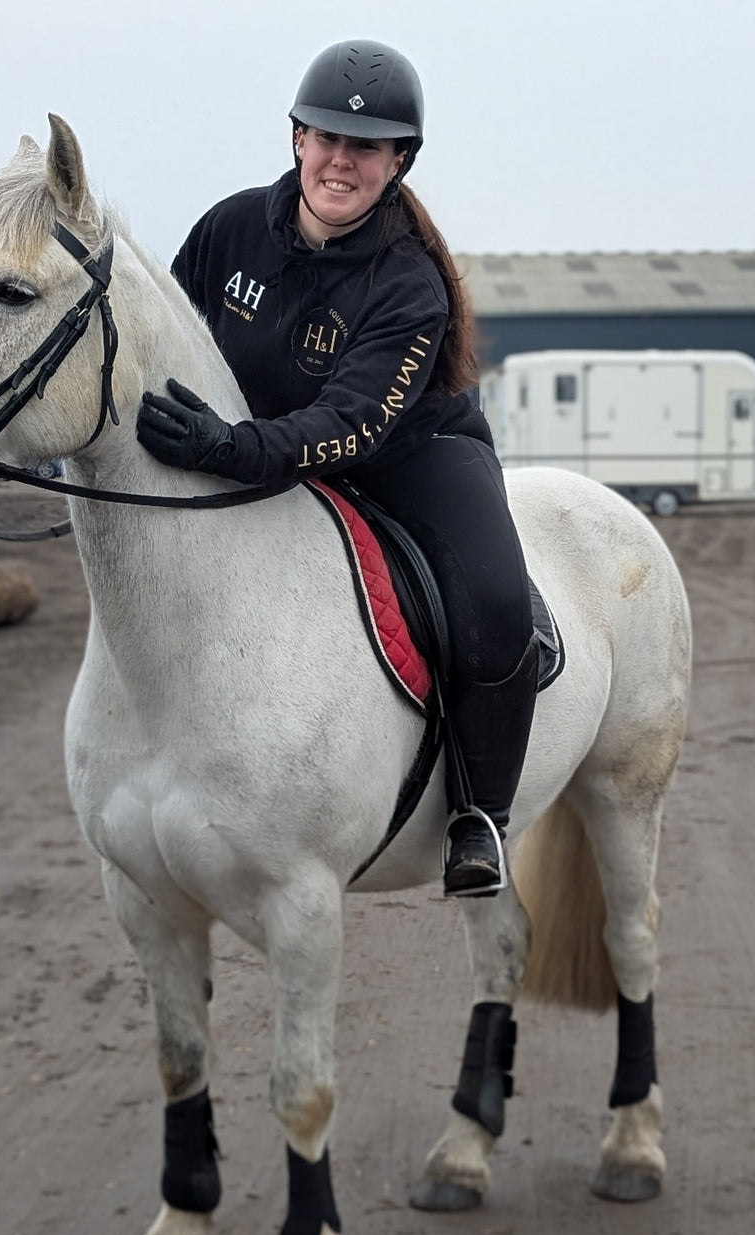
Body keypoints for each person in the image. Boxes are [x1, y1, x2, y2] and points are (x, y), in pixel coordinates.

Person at [136, 39, 537, 898]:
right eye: (324, 137)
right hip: (252, 444)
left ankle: (481, 816)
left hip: (410, 455)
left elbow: (351, 426)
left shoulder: (409, 283)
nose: (339, 159)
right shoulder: (228, 230)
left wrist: (230, 449)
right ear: (295, 137)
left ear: (399, 161)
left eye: (364, 146)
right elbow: (162, 350)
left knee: (499, 599)